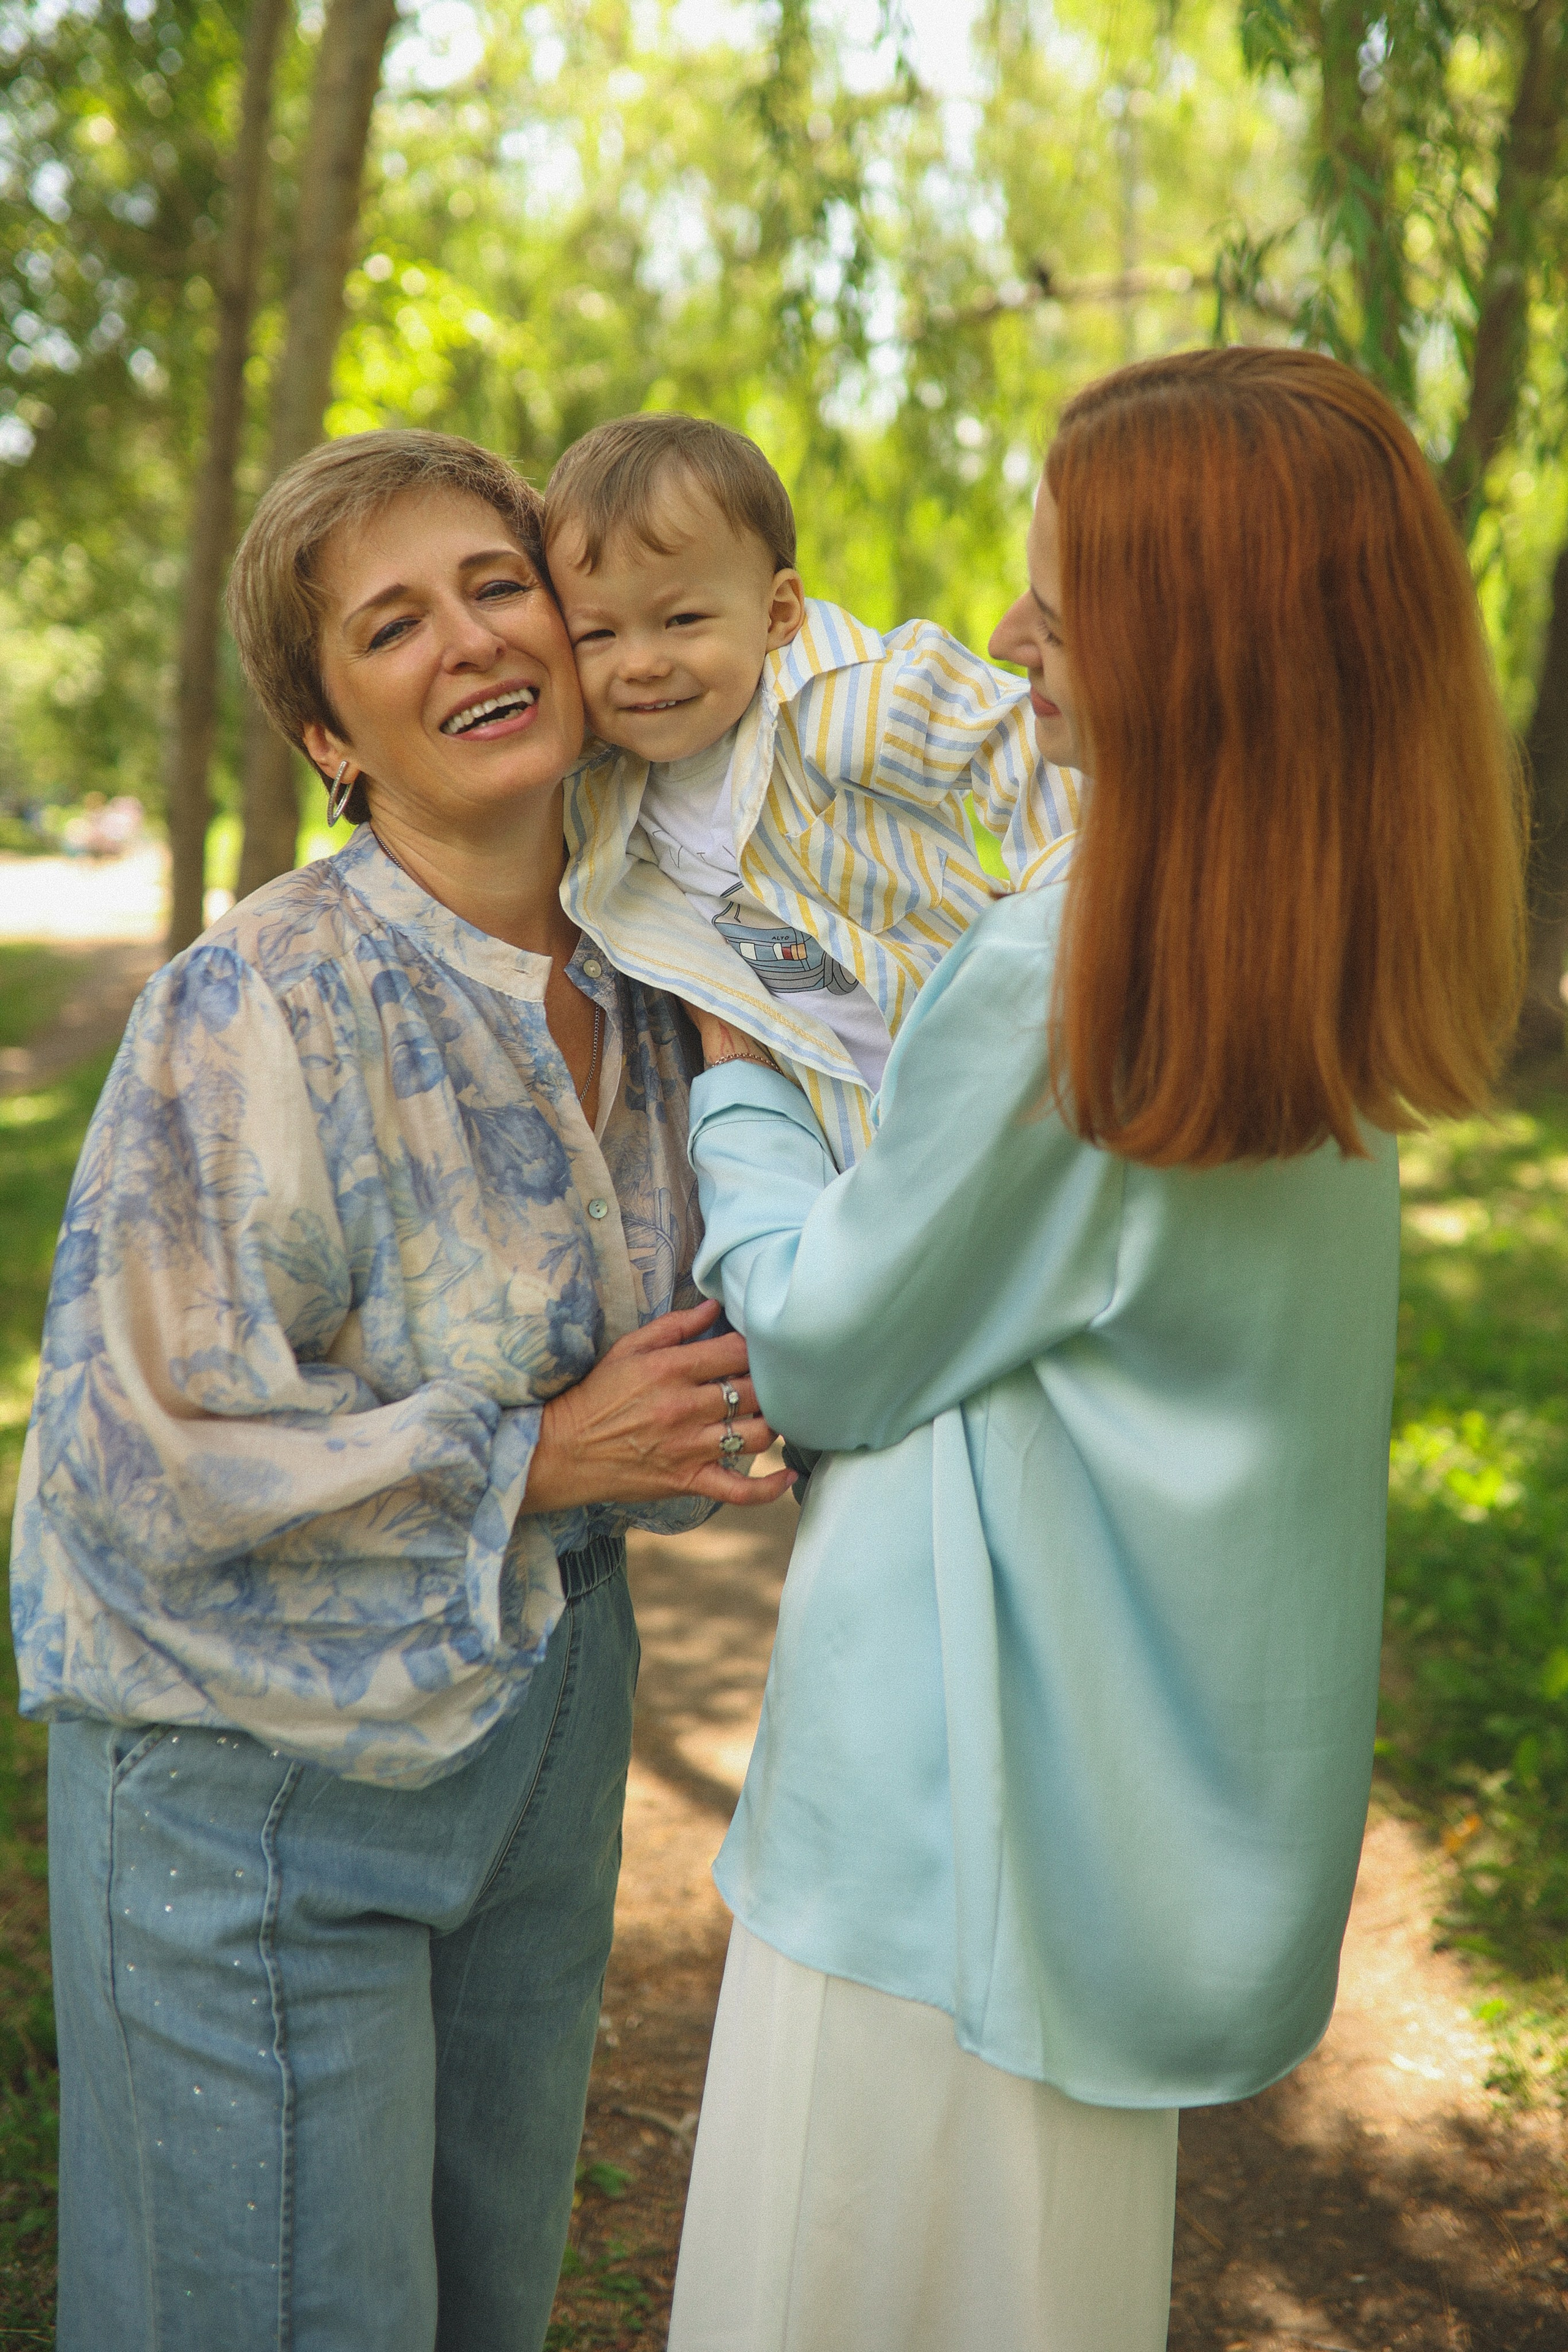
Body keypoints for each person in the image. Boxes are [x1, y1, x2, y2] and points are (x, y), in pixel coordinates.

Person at [663, 349, 1526, 2351]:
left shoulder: (1081, 964)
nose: (1012, 633)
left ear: (1209, 646)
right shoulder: (1312, 939)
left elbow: (825, 1352)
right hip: (1121, 1819)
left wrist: (745, 1078)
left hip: (945, 1816)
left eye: (1073, 593)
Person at [11, 428, 791, 2352]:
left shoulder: (670, 975)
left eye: (496, 582)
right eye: (391, 622)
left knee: (473, 2307)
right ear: (330, 734)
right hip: (256, 1785)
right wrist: (532, 1454)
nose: (469, 639)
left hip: (541, 1741)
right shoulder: (255, 999)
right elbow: (135, 1458)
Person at [544, 413, 1078, 1168]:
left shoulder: (835, 704)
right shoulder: (599, 803)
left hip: (1011, 1063)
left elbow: (1017, 739)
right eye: (596, 635)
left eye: (682, 619)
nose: (640, 663)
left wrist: (1069, 914)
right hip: (854, 1136)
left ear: (778, 612)